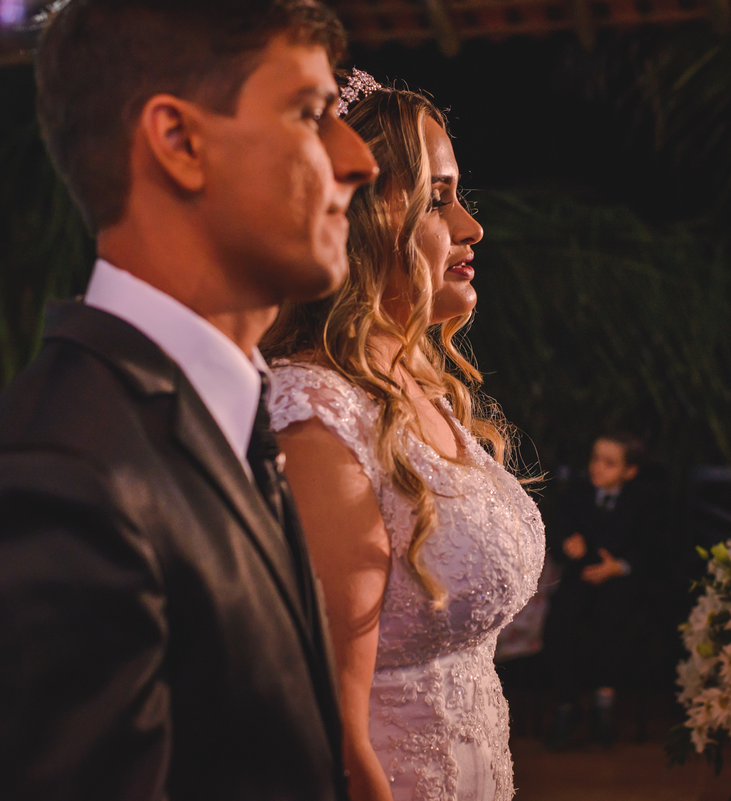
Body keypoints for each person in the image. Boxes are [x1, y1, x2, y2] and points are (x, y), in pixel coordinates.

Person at [0, 1, 378, 799]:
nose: (357, 159)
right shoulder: (51, 482)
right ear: (179, 142)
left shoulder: (214, 420)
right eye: (309, 112)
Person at [263, 77, 545, 801]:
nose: (471, 227)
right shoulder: (315, 412)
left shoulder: (425, 390)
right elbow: (329, 727)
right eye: (437, 198)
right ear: (358, 218)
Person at [542, 432, 647, 750]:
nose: (598, 467)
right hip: (580, 577)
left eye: (609, 463)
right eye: (595, 459)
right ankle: (565, 703)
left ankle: (605, 701)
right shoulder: (575, 495)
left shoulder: (641, 502)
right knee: (561, 621)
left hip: (619, 581)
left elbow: (650, 545)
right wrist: (567, 544)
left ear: (629, 471)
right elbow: (557, 531)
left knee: (612, 620)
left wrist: (619, 566)